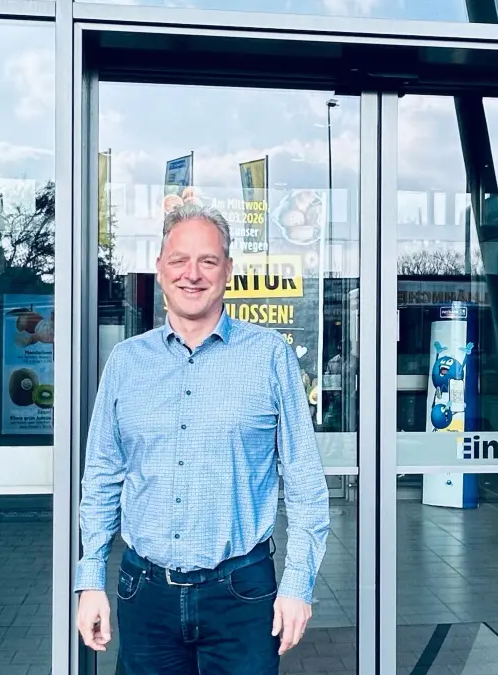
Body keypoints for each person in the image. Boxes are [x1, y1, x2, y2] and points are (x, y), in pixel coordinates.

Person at [73, 202, 331, 674]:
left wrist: (297, 584)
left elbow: (304, 481)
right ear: (160, 269)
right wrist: (90, 579)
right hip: (144, 593)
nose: (192, 274)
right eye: (179, 260)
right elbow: (102, 475)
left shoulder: (269, 357)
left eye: (208, 261)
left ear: (228, 270)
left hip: (242, 595)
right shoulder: (127, 363)